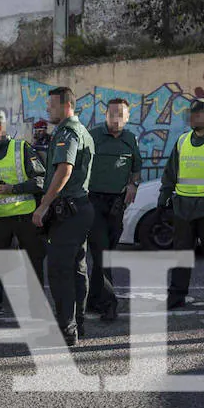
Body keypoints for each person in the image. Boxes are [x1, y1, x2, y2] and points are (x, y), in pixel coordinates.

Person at [32, 87, 95, 346]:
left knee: (59, 271)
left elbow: (64, 171)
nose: (48, 109)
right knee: (77, 268)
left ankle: (67, 330)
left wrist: (43, 205)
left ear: (66, 105)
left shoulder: (67, 133)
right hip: (79, 208)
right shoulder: (83, 131)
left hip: (67, 211)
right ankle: (77, 323)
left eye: (52, 105)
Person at [157, 98, 204, 313]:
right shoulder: (182, 141)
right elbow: (171, 172)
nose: (192, 117)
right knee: (181, 254)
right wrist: (163, 196)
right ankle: (177, 296)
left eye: (198, 114)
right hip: (184, 206)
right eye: (191, 113)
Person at [0, 110, 46, 327]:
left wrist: (14, 188)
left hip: (25, 217)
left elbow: (42, 180)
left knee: (33, 265)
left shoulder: (21, 149)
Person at [86, 98, 142, 321]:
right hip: (94, 202)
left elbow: (136, 168)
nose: (116, 118)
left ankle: (93, 300)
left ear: (127, 118)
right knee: (103, 254)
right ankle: (110, 304)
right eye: (112, 113)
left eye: (121, 114)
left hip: (117, 205)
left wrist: (133, 184)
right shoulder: (93, 136)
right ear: (105, 115)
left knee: (106, 253)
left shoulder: (130, 139)